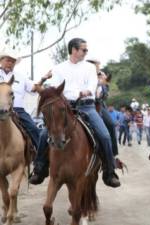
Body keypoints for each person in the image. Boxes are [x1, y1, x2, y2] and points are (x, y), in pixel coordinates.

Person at [29, 38, 120, 187]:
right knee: (44, 134)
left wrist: (83, 91)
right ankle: (40, 169)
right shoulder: (58, 68)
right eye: (84, 50)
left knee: (104, 135)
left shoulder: (90, 68)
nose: (86, 52)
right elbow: (55, 89)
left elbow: (92, 85)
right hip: (65, 107)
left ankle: (109, 172)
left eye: (86, 50)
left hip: (87, 107)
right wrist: (76, 92)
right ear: (74, 50)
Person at [0, 49, 51, 152]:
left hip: (18, 110)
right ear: (1, 60)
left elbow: (33, 88)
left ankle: (41, 159)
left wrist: (43, 79)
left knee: (34, 128)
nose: (10, 63)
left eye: (13, 61)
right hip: (0, 109)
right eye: (8, 60)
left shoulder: (21, 76)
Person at [87, 58, 119, 156]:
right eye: (96, 65)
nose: (98, 67)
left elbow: (105, 94)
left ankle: (113, 154)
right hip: (86, 104)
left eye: (98, 65)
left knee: (110, 124)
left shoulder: (101, 75)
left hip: (99, 104)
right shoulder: (85, 75)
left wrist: (103, 84)